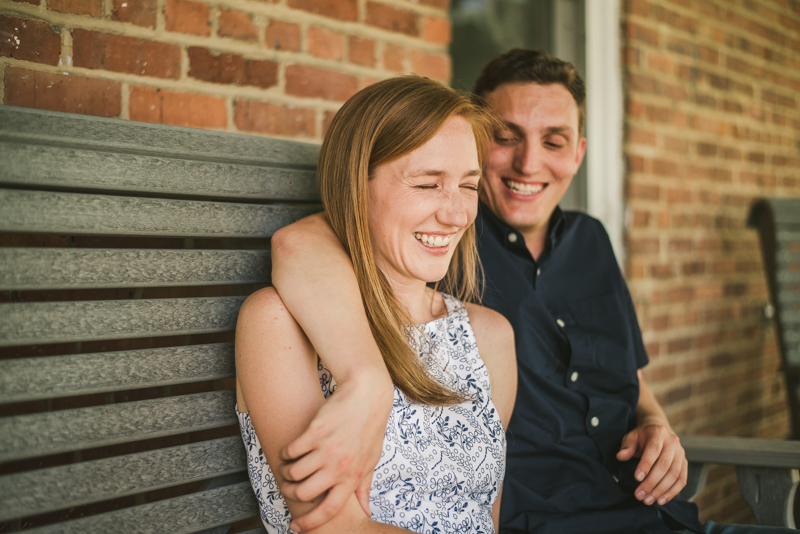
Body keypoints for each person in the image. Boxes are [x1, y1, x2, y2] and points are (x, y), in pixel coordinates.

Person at [267, 50, 798, 534]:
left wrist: (658, 427)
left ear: (579, 153)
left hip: (653, 513)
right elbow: (311, 238)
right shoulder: (447, 243)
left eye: (554, 141)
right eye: (506, 136)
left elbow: (631, 381)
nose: (528, 164)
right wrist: (367, 381)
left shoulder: (589, 240)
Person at [235, 75, 517, 534]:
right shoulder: (278, 324)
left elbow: (484, 515)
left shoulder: (489, 337)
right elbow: (332, 527)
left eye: (468, 185)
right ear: (355, 186)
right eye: (427, 184)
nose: (457, 213)